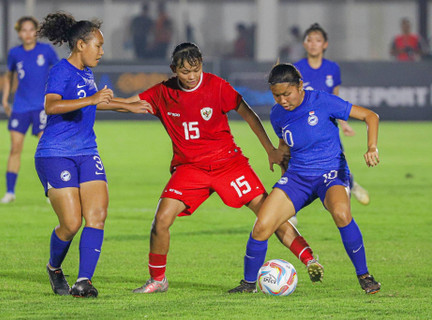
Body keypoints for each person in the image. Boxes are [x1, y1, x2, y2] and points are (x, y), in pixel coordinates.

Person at [112, 42, 324, 294]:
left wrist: (269, 150)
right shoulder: (163, 92)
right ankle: (158, 280)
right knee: (161, 220)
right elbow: (126, 103)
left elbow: (249, 116)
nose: (191, 77)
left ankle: (309, 258)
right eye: (185, 72)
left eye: (196, 70)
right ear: (173, 70)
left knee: (269, 215)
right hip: (190, 170)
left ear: (202, 64)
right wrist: (91, 101)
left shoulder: (217, 86)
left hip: (229, 165)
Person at [230, 63, 381, 295]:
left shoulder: (323, 101)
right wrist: (281, 169)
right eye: (276, 95)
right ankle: (248, 284)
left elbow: (370, 116)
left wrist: (372, 147)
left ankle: (364, 275)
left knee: (341, 213)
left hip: (330, 174)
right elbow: (285, 146)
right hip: (298, 177)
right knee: (262, 226)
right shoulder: (277, 114)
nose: (282, 100)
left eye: (286, 94)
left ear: (300, 86)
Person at [36, 12, 152, 298]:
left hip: (87, 151)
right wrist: (92, 98)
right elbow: (52, 106)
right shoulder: (61, 71)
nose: (102, 51)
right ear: (80, 45)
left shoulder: (87, 72)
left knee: (97, 216)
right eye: (97, 45)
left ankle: (83, 281)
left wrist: (128, 105)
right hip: (55, 154)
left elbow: (92, 104)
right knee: (72, 223)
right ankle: (54, 267)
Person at [294, 23, 370, 206]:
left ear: (325, 44)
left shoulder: (332, 68)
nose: (313, 44)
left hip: (327, 127)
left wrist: (344, 124)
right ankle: (291, 213)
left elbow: (335, 98)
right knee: (294, 163)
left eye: (318, 40)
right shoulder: (296, 69)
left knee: (337, 163)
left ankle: (350, 185)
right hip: (303, 126)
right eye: (309, 40)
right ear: (304, 44)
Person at [0, 16, 59, 204]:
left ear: (37, 32)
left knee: (45, 148)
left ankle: (50, 189)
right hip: (21, 107)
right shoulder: (14, 53)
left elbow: (58, 71)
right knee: (15, 148)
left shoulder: (46, 51)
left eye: (31, 30)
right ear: (19, 33)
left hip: (42, 107)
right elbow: (8, 76)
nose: (27, 33)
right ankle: (10, 192)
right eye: (23, 30)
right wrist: (5, 98)